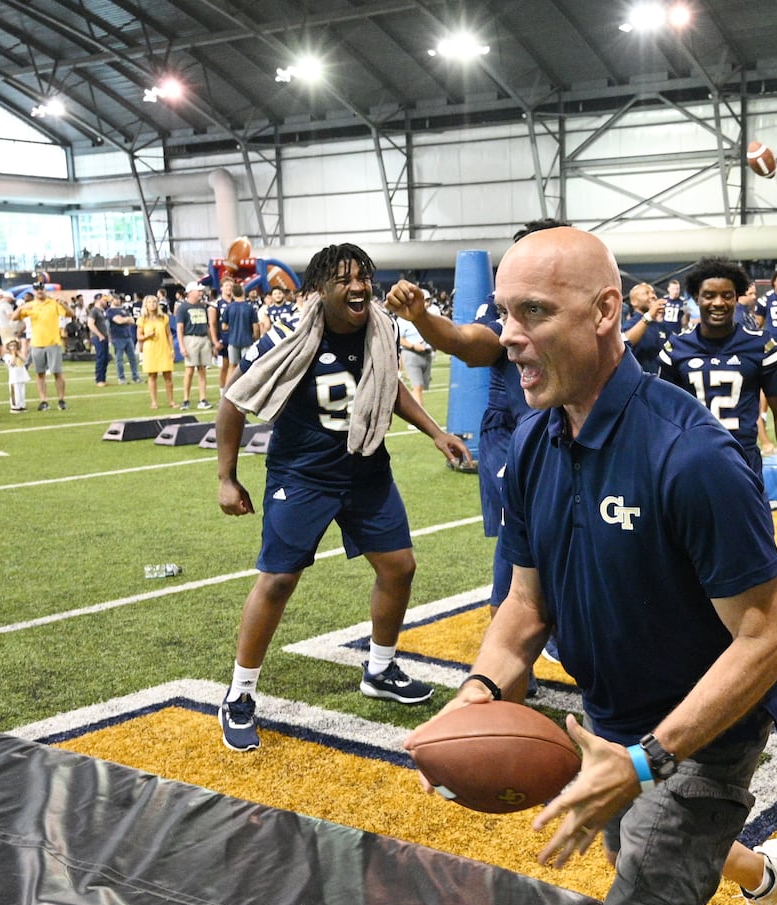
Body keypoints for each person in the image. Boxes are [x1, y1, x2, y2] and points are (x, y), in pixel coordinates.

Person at [403, 227, 777, 905]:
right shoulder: (529, 443)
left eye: (534, 313)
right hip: (609, 718)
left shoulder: (691, 456)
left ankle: (731, 850)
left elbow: (767, 639)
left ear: (604, 313)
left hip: (706, 728)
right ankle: (769, 873)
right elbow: (525, 607)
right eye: (503, 313)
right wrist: (475, 698)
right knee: (641, 850)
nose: (510, 337)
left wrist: (647, 759)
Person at [214, 244, 470, 752]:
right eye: (344, 279)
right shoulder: (289, 333)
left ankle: (379, 668)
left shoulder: (382, 325)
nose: (358, 287)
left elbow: (389, 386)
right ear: (320, 289)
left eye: (364, 277)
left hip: (366, 467)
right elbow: (234, 397)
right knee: (279, 579)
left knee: (399, 566)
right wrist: (227, 476)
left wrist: (435, 432)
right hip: (303, 474)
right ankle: (239, 694)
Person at [386, 217, 567, 687]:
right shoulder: (501, 305)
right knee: (516, 553)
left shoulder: (581, 298)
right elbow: (471, 345)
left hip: (575, 431)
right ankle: (512, 671)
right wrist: (423, 318)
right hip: (518, 435)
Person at [659, 256, 777, 514]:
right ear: (695, 297)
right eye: (709, 296)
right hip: (689, 465)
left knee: (755, 549)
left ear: (736, 297)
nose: (718, 303)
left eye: (727, 295)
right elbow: (659, 416)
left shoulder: (761, 346)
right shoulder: (676, 348)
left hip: (742, 463)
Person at [13, 284, 74, 411]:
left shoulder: (53, 303)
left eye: (41, 289)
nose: (39, 291)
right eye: (37, 289)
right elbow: (14, 317)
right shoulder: (31, 305)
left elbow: (71, 314)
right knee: (40, 373)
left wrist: (63, 304)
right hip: (37, 343)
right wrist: (21, 307)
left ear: (44, 290)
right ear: (34, 291)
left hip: (53, 342)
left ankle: (61, 399)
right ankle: (43, 400)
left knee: (57, 372)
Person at [176, 281, 219, 409]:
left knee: (202, 371)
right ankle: (186, 399)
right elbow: (180, 328)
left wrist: (211, 343)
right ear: (191, 292)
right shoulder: (183, 308)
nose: (201, 293)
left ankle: (203, 398)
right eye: (198, 291)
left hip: (203, 338)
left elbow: (207, 326)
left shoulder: (202, 306)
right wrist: (182, 346)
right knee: (189, 370)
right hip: (191, 338)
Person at [621, 283, 673, 376]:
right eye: (646, 293)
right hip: (638, 384)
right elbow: (624, 342)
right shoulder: (631, 324)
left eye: (653, 293)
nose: (653, 296)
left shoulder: (662, 327)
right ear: (634, 301)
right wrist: (649, 316)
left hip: (661, 383)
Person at [218, 279, 260, 387]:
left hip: (232, 340)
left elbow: (223, 326)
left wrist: (233, 326)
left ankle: (227, 390)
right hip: (247, 340)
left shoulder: (229, 307)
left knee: (232, 367)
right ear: (243, 292)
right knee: (247, 367)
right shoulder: (250, 308)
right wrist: (255, 337)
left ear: (232, 293)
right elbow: (255, 327)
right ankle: (246, 389)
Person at [136, 294, 175, 409]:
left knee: (168, 376)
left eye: (154, 302)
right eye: (150, 302)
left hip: (163, 348)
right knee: (152, 376)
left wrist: (172, 349)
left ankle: (171, 401)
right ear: (145, 305)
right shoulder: (142, 319)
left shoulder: (164, 318)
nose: (152, 304)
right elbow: (139, 336)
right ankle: (154, 402)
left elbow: (169, 335)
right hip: (150, 349)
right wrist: (147, 335)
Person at [396, 313, 435, 408]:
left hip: (427, 354)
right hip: (411, 353)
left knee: (420, 388)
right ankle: (418, 419)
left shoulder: (426, 316)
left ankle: (417, 416)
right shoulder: (402, 319)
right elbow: (399, 338)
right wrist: (413, 346)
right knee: (417, 386)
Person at [108, 294, 139, 385]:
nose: (119, 301)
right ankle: (121, 378)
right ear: (112, 300)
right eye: (116, 299)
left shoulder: (124, 309)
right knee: (119, 359)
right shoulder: (110, 311)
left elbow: (133, 320)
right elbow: (119, 321)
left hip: (128, 336)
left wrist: (124, 319)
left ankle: (136, 377)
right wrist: (126, 319)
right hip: (117, 337)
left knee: (133, 358)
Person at [88, 293, 113, 387]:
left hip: (103, 337)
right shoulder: (94, 311)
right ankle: (99, 380)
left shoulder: (101, 311)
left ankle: (103, 379)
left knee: (105, 358)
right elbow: (90, 324)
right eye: (104, 300)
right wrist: (99, 335)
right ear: (98, 300)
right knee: (101, 358)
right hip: (98, 337)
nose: (106, 301)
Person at [3, 336, 29, 413]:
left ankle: (21, 405)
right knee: (15, 392)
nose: (13, 347)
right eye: (11, 345)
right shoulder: (7, 356)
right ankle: (14, 406)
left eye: (15, 345)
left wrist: (18, 353)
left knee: (22, 392)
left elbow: (25, 360)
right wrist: (14, 354)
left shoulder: (19, 353)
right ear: (8, 347)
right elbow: (13, 363)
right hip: (14, 378)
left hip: (22, 376)